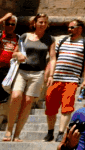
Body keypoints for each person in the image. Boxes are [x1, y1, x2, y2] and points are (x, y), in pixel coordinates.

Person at [4, 13, 54, 142]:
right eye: (41, 22)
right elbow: (14, 53)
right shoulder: (25, 36)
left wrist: (51, 75)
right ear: (35, 23)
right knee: (15, 96)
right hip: (22, 71)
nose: (43, 25)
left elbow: (53, 58)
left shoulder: (50, 39)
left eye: (45, 23)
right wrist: (18, 55)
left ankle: (17, 134)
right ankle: (9, 130)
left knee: (27, 102)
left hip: (37, 74)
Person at [45, 19, 85, 142]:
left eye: (72, 27)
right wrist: (49, 74)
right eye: (69, 27)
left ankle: (61, 132)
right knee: (50, 106)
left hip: (72, 79)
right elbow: (53, 58)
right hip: (56, 78)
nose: (69, 29)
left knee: (67, 106)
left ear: (80, 28)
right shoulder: (62, 40)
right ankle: (50, 132)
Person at [0, 13, 19, 106]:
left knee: (2, 97)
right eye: (8, 24)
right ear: (4, 25)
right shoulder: (0, 34)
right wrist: (3, 19)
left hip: (7, 72)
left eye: (13, 24)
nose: (10, 26)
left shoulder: (18, 38)